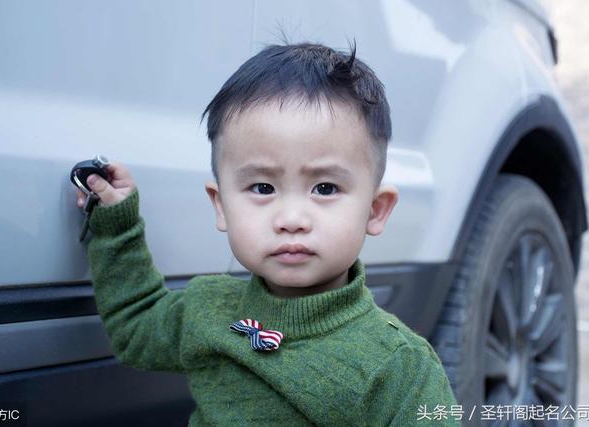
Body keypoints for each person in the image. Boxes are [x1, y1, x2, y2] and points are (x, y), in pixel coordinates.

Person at [75, 41, 460, 426]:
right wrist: (116, 225)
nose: (291, 218)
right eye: (263, 188)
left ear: (375, 211)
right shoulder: (208, 309)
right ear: (221, 204)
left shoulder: (399, 365)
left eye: (324, 188)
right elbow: (136, 327)